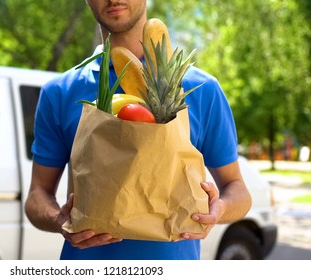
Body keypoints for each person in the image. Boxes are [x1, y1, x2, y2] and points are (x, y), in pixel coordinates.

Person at [24, 0, 252, 260]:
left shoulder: (201, 89)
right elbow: (37, 195)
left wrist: (219, 209)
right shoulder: (60, 92)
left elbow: (238, 190)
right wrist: (58, 220)